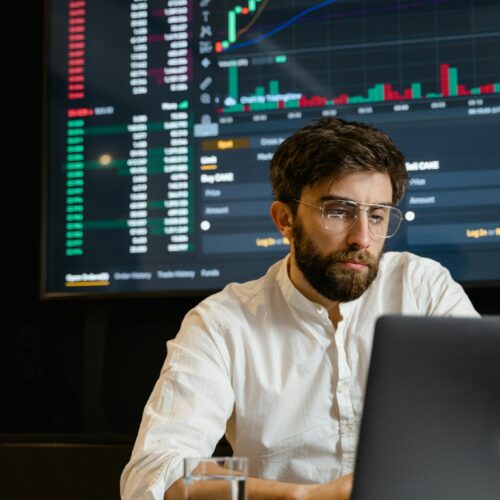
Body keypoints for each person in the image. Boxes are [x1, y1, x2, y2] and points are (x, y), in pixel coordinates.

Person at [120, 117, 479, 500]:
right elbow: (156, 471)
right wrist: (301, 496)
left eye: (377, 216)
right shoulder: (222, 323)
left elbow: (484, 412)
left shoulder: (421, 287)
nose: (362, 238)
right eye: (338, 212)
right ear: (285, 220)